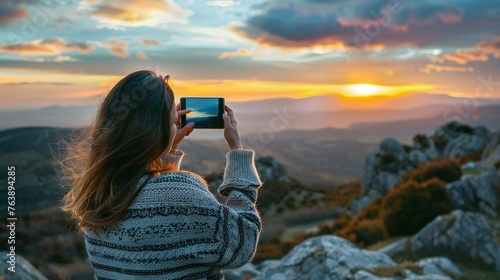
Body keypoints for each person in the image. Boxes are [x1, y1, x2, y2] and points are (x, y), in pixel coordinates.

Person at [59, 70, 262, 279]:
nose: (176, 127)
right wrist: (238, 154)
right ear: (160, 130)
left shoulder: (95, 198)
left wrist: (164, 154)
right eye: (173, 122)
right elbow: (244, 242)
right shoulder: (183, 193)